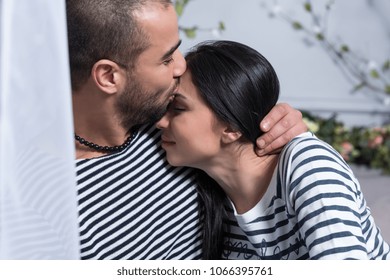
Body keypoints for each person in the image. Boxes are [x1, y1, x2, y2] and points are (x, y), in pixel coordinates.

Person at [66, 0, 307, 259]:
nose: (181, 66)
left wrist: (277, 131)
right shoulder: (50, 199)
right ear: (109, 76)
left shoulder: (170, 125)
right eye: (166, 58)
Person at [156, 40, 390, 260]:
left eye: (177, 108)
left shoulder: (307, 166)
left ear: (231, 127)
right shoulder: (214, 200)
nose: (160, 122)